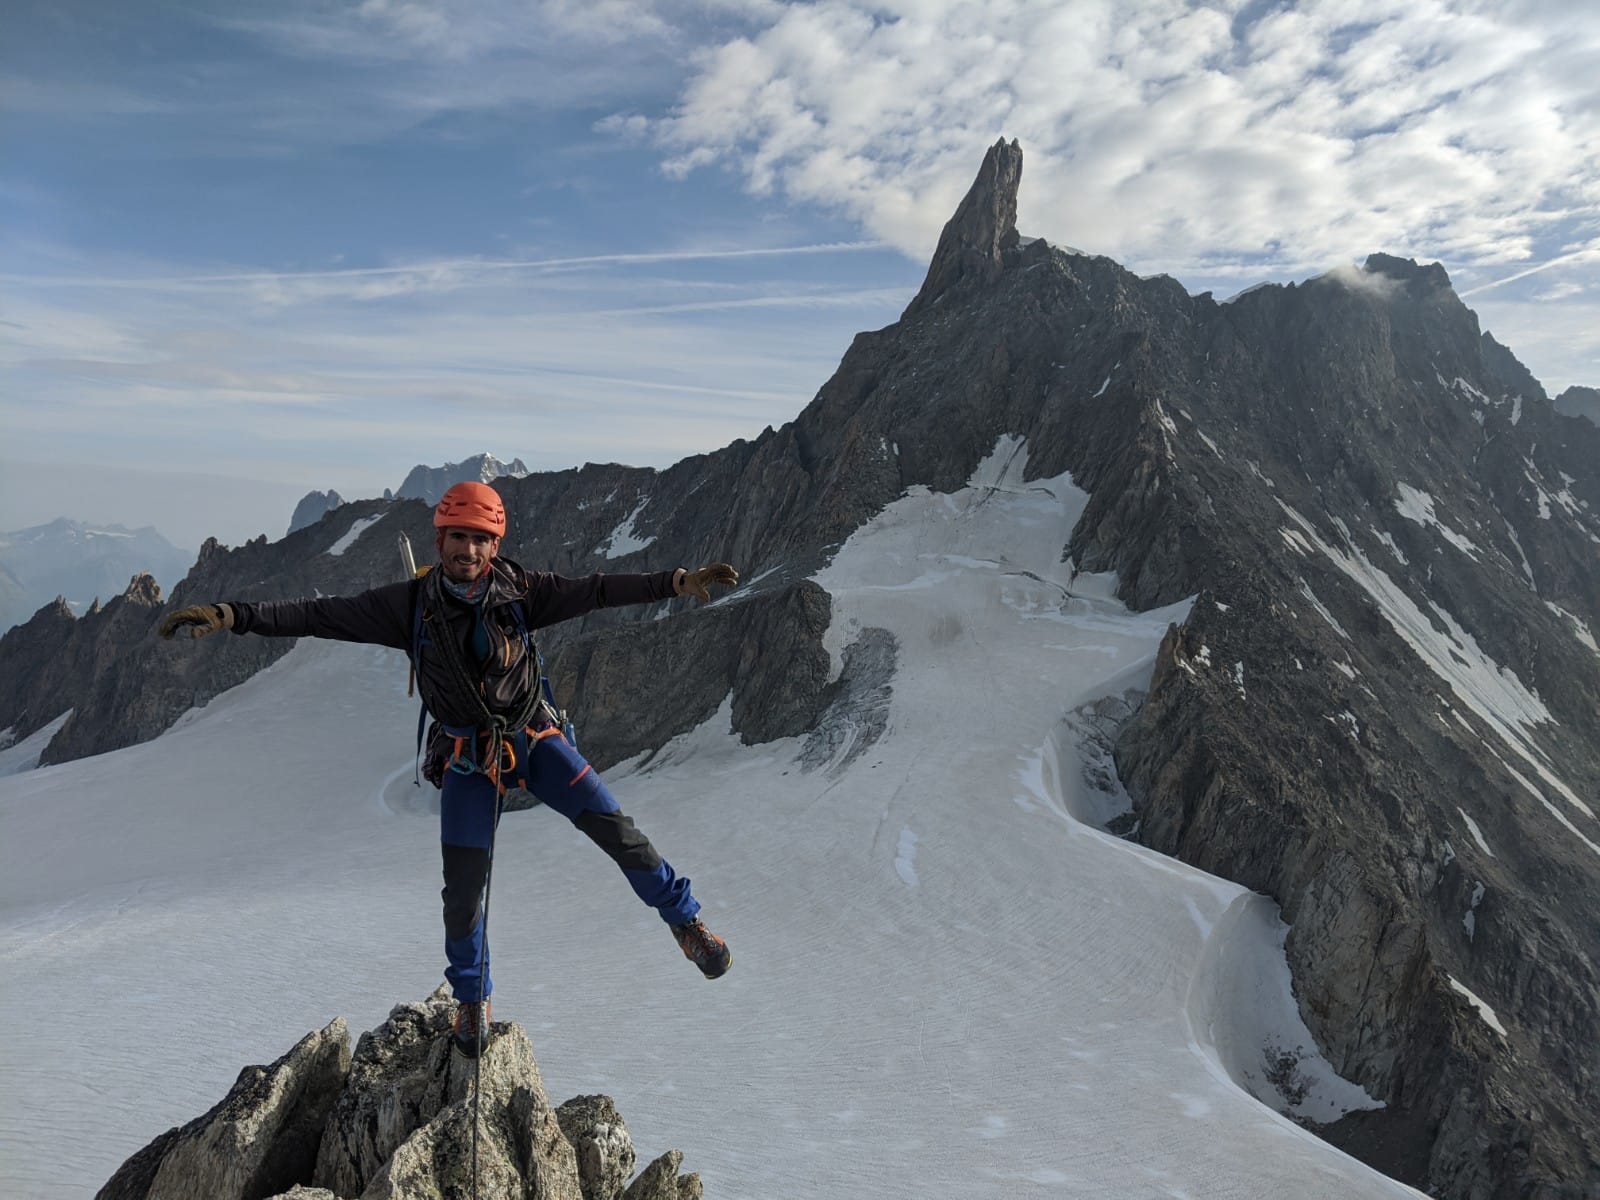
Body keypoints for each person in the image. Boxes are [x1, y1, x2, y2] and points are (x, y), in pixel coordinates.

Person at [160, 481, 737, 1057]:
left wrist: (677, 583)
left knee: (621, 834)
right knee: (462, 895)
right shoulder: (407, 607)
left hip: (533, 739)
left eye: (480, 539)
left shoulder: (523, 590)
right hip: (466, 758)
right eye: (458, 538)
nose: (468, 550)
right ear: (441, 540)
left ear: (495, 543)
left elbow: (600, 590)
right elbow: (318, 614)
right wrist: (234, 615)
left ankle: (684, 922)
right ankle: (472, 998)